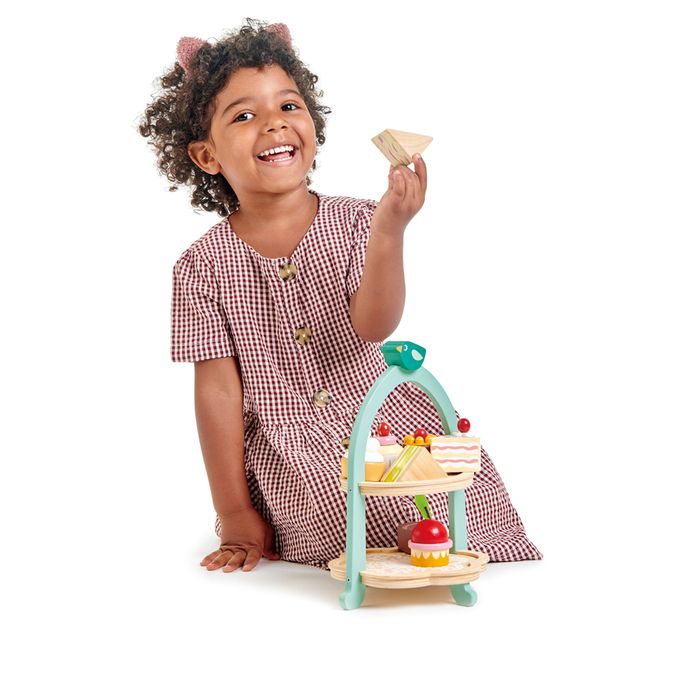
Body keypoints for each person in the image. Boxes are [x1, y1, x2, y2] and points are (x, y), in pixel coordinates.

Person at [138, 18, 542, 572]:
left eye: (289, 105)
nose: (274, 124)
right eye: (244, 115)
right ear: (207, 156)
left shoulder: (359, 223)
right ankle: (399, 546)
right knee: (338, 490)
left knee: (446, 477)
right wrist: (233, 511)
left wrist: (390, 232)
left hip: (384, 419)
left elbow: (375, 326)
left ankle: (432, 539)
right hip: (297, 447)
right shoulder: (200, 267)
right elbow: (218, 394)